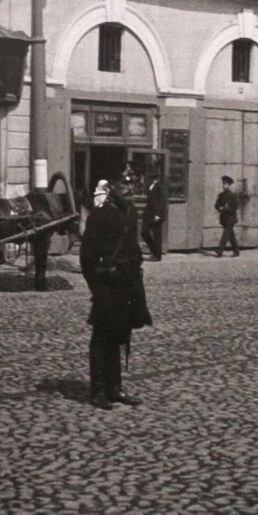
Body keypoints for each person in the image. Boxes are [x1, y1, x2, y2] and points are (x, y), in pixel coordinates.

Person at [79, 173, 152, 409]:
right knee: (101, 336)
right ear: (112, 188)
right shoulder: (99, 216)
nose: (130, 188)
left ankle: (115, 388)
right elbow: (87, 256)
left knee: (121, 334)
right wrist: (96, 285)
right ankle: (98, 390)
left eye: (132, 184)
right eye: (125, 185)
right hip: (107, 283)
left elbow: (134, 246)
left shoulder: (130, 212)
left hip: (128, 281)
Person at [141, 174, 167, 262]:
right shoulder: (150, 186)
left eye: (152, 177)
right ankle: (154, 251)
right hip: (149, 214)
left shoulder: (159, 186)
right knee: (144, 232)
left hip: (156, 214)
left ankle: (157, 255)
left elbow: (162, 201)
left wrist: (158, 214)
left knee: (157, 236)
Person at [214, 175, 240, 257]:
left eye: (225, 184)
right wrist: (220, 208)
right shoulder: (220, 195)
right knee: (231, 236)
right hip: (224, 219)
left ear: (229, 185)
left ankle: (219, 250)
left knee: (225, 234)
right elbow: (216, 205)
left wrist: (228, 208)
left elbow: (236, 206)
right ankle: (236, 251)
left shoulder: (232, 195)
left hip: (231, 218)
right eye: (223, 183)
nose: (223, 185)